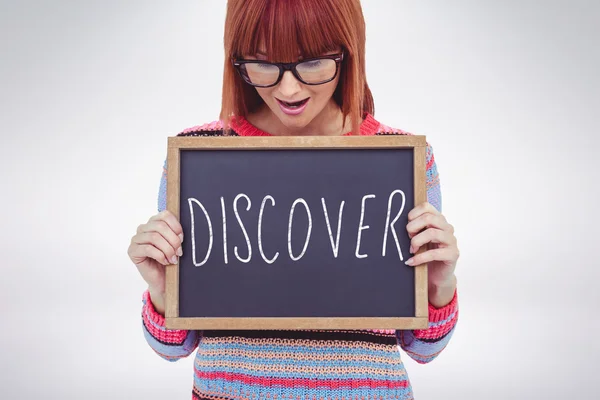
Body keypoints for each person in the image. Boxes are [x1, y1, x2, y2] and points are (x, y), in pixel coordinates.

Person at [127, 0, 460, 399]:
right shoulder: (198, 156)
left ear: (348, 52)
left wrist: (440, 286)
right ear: (238, 59)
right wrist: (164, 291)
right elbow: (170, 348)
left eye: (312, 62)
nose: (289, 88)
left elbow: (425, 348)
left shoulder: (400, 159)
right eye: (264, 64)